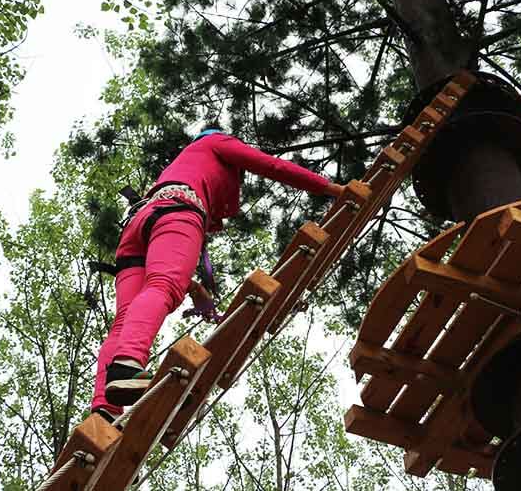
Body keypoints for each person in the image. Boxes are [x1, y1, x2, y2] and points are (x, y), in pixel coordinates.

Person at [91, 126, 345, 423]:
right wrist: (332, 189)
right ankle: (127, 365)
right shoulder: (216, 143)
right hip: (177, 210)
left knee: (124, 320)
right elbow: (272, 165)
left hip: (139, 224)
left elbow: (162, 249)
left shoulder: (182, 164)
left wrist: (195, 288)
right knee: (163, 286)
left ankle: (103, 412)